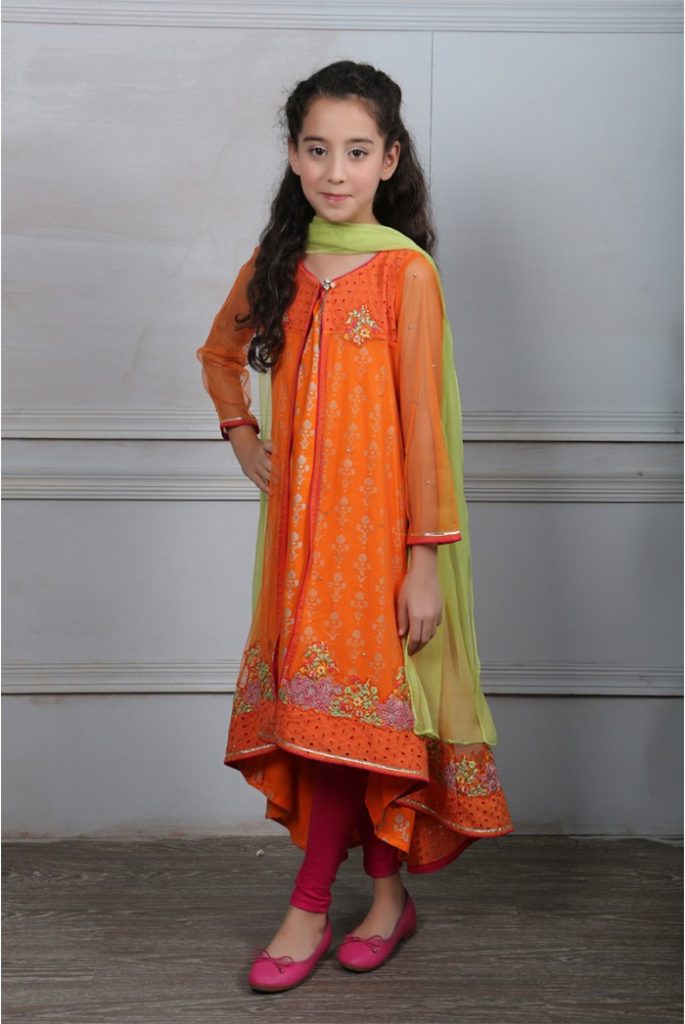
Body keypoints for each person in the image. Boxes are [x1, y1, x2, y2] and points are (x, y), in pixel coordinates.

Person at [196, 60, 514, 993]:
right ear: (294, 156)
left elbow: (426, 430)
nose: (335, 171)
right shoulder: (281, 265)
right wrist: (242, 434)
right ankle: (385, 899)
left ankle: (306, 909)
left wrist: (423, 562)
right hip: (298, 549)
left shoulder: (404, 273)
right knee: (327, 722)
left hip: (380, 547)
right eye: (317, 149)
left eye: (357, 151)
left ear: (390, 159)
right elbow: (219, 353)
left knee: (351, 719)